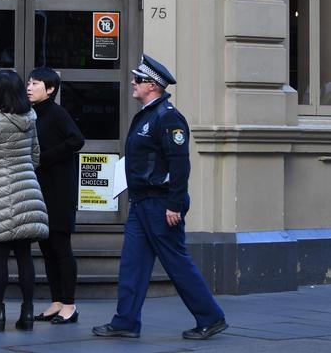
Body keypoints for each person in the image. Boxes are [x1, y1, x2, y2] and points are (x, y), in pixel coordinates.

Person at [92, 54, 228, 341]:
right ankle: (125, 321)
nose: (133, 82)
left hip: (160, 203)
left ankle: (211, 318)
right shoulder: (150, 115)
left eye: (138, 80)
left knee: (177, 263)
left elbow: (180, 164)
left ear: (152, 86)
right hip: (142, 203)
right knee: (132, 264)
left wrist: (175, 204)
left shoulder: (168, 118)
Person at [0, 69, 48, 332]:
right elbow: (36, 156)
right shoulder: (31, 118)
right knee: (25, 255)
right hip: (27, 191)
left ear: (0, 90)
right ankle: (27, 313)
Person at [27, 66, 84, 325]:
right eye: (29, 82)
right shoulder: (32, 114)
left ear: (50, 89)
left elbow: (76, 141)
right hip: (41, 191)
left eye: (35, 83)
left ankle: (70, 305)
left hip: (60, 192)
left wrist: (44, 159)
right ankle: (56, 301)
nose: (29, 86)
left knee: (60, 248)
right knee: (47, 249)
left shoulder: (57, 113)